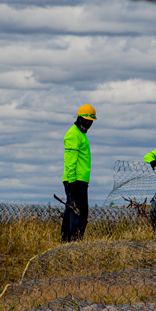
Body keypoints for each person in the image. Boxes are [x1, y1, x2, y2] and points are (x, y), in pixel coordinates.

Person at [62, 104, 97, 242]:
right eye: (85, 120)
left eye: (90, 122)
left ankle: (65, 241)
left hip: (78, 179)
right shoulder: (74, 134)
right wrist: (71, 181)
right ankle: (74, 243)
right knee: (79, 213)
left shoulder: (80, 134)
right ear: (79, 118)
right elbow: (70, 160)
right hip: (75, 180)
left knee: (71, 211)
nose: (87, 124)